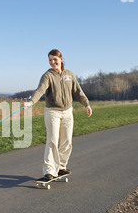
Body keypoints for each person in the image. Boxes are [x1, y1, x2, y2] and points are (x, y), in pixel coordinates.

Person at [24, 49, 92, 182]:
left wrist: (86, 104)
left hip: (67, 111)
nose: (52, 62)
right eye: (50, 60)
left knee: (67, 141)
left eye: (55, 59)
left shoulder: (69, 74)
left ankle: (61, 167)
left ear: (61, 59)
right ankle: (49, 171)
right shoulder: (47, 76)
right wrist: (31, 102)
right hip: (52, 112)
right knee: (53, 141)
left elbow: (78, 91)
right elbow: (40, 90)